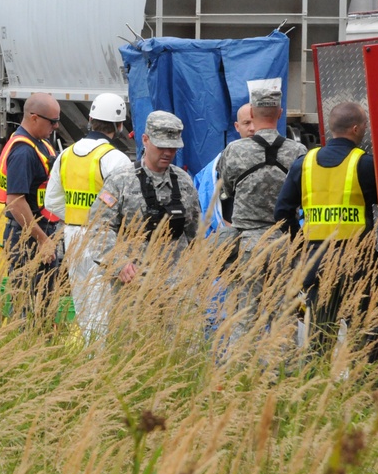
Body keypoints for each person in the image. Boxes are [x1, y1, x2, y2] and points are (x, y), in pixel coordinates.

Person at [274, 102, 378, 360]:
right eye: (364, 124)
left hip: (317, 263)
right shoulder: (366, 165)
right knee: (363, 341)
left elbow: (281, 214)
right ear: (356, 128)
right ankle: (362, 397)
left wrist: (303, 247)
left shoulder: (304, 164)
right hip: (359, 265)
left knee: (319, 341)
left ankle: (314, 395)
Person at [215, 79, 307, 352]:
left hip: (247, 244)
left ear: (252, 115)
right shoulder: (298, 152)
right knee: (284, 316)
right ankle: (283, 377)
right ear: (279, 113)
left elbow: (226, 189)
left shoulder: (234, 151)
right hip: (284, 243)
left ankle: (239, 373)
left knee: (244, 313)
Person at [45, 92, 134, 340]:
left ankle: (88, 358)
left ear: (90, 119)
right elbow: (129, 207)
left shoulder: (65, 155)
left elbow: (51, 201)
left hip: (72, 236)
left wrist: (77, 217)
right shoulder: (115, 158)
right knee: (104, 307)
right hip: (103, 240)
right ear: (118, 125)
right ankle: (100, 365)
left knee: (83, 305)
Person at [86, 110, 199, 292]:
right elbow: (99, 228)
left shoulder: (184, 181)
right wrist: (118, 263)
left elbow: (195, 231)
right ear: (145, 140)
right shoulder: (120, 181)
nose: (168, 153)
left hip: (178, 287)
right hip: (134, 287)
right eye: (161, 146)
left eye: (173, 148)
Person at [0, 92, 62, 318]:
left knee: (42, 303)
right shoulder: (23, 152)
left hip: (38, 234)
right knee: (28, 306)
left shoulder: (40, 144)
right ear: (34, 117)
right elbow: (15, 202)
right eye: (52, 121)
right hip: (28, 238)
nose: (56, 126)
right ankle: (24, 346)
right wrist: (43, 240)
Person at [194, 103, 255, 237]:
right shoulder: (219, 164)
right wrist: (235, 235)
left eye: (256, 122)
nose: (252, 128)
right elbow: (210, 206)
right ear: (237, 127)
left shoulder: (284, 156)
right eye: (247, 123)